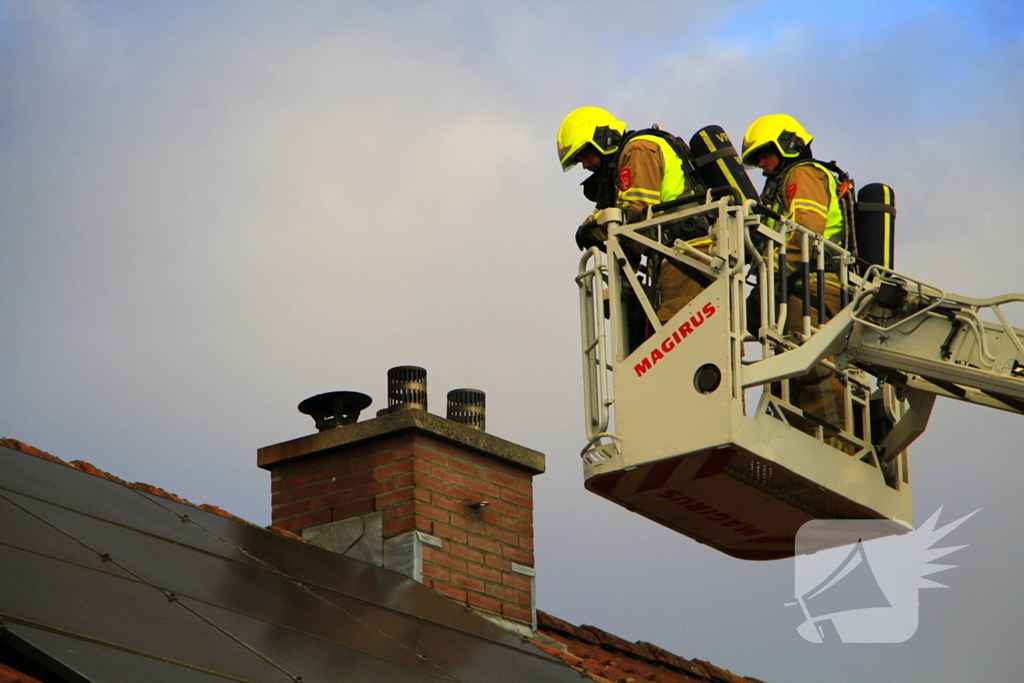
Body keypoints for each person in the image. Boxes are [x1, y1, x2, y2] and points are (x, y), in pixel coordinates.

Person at [741, 114, 848, 435]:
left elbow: (807, 232)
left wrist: (771, 271)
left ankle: (834, 442)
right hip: (795, 286)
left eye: (764, 154)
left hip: (812, 286)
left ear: (787, 145)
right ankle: (802, 439)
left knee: (813, 372)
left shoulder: (802, 173)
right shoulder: (782, 183)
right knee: (789, 375)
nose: (761, 165)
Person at [557, 106, 707, 325]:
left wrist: (592, 229)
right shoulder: (632, 155)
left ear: (603, 140)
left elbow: (637, 218)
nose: (585, 165)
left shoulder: (637, 151)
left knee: (677, 335)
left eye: (586, 156)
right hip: (681, 256)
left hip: (688, 256)